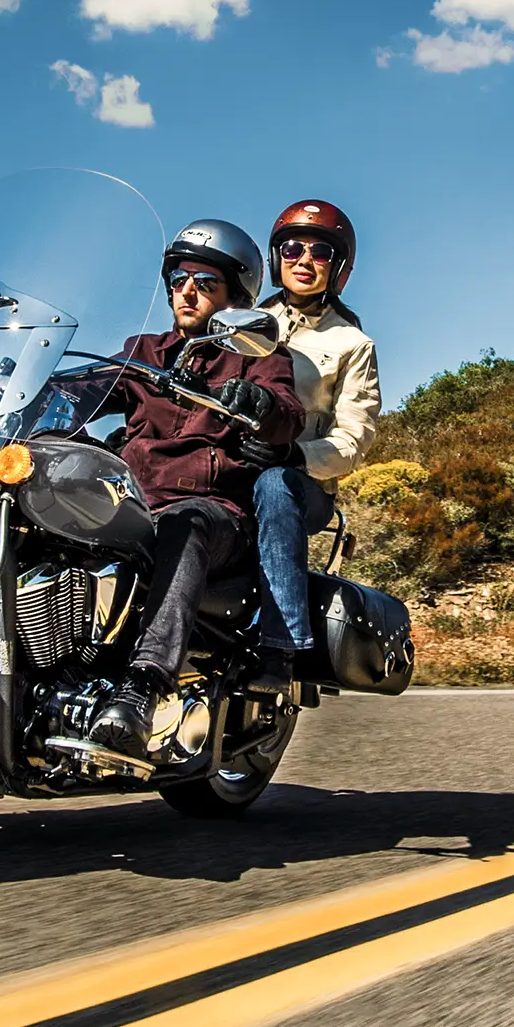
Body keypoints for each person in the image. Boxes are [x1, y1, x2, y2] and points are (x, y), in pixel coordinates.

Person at [56, 219, 303, 761]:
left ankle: (143, 687)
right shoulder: (143, 351)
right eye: (178, 279)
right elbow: (92, 389)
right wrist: (31, 390)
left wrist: (260, 406)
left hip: (213, 514)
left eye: (204, 282)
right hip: (130, 505)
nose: (186, 290)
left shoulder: (258, 355)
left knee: (185, 522)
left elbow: (287, 413)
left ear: (234, 298)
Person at [244, 199, 382, 693]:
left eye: (319, 251)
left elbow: (354, 436)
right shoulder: (241, 319)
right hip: (230, 467)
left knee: (273, 485)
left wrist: (295, 455)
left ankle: (282, 648)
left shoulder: (351, 343)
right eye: (292, 247)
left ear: (338, 267)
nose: (303, 259)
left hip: (300, 483)